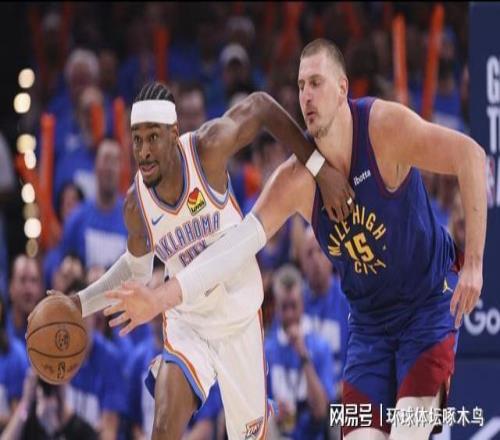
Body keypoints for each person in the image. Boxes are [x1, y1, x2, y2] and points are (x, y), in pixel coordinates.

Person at [109, 39, 487, 440]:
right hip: (370, 327)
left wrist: (476, 264)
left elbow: (470, 156)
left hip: (427, 306)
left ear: (342, 89)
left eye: (316, 83)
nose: (306, 95)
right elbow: (231, 250)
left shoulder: (383, 128)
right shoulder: (294, 181)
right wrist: (160, 297)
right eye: (301, 85)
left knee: (409, 431)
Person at [52, 79, 352, 440]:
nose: (143, 151)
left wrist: (318, 167)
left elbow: (260, 106)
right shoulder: (136, 206)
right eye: (136, 139)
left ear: (173, 134)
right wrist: (78, 304)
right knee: (163, 429)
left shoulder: (207, 149)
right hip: (188, 322)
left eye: (153, 137)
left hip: (238, 316)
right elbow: (135, 269)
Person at [265, 265, 334, 440]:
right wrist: (274, 410)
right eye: (284, 307)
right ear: (276, 307)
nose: (289, 314)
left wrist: (303, 354)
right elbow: (257, 405)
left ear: (302, 304)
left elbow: (321, 411)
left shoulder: (320, 347)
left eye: (293, 306)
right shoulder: (267, 350)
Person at [0, 372, 97, 440]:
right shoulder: (29, 418)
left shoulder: (82, 431)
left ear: (66, 384)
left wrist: (55, 432)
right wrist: (26, 402)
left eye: (57, 383)